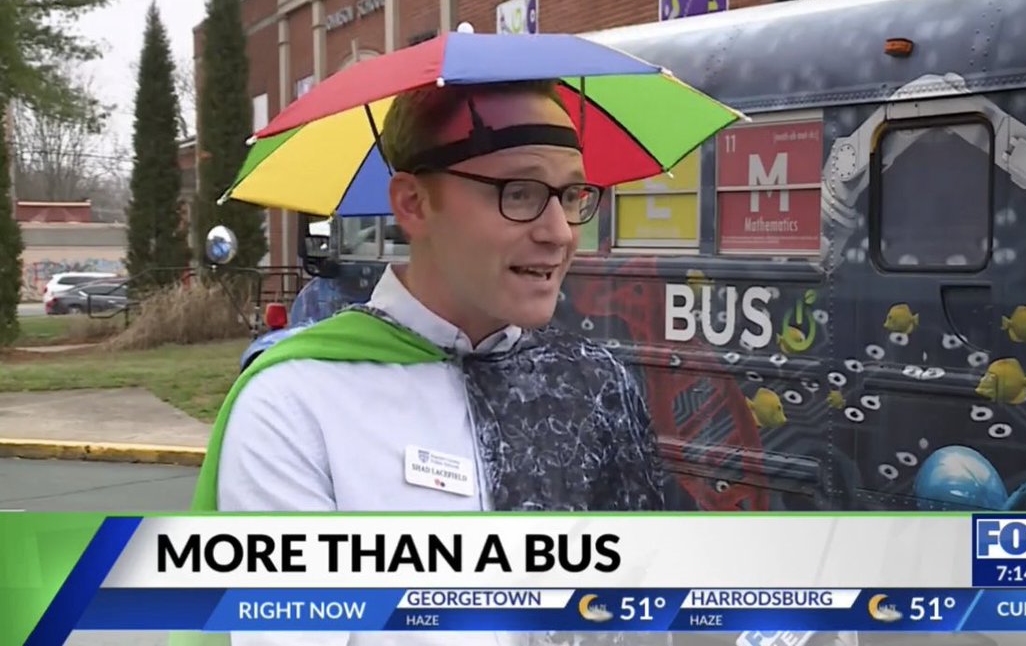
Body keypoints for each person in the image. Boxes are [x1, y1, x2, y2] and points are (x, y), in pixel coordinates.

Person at [187, 79, 673, 645]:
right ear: (414, 204)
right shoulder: (293, 407)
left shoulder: (598, 388)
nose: (560, 232)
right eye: (519, 193)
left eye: (571, 196)